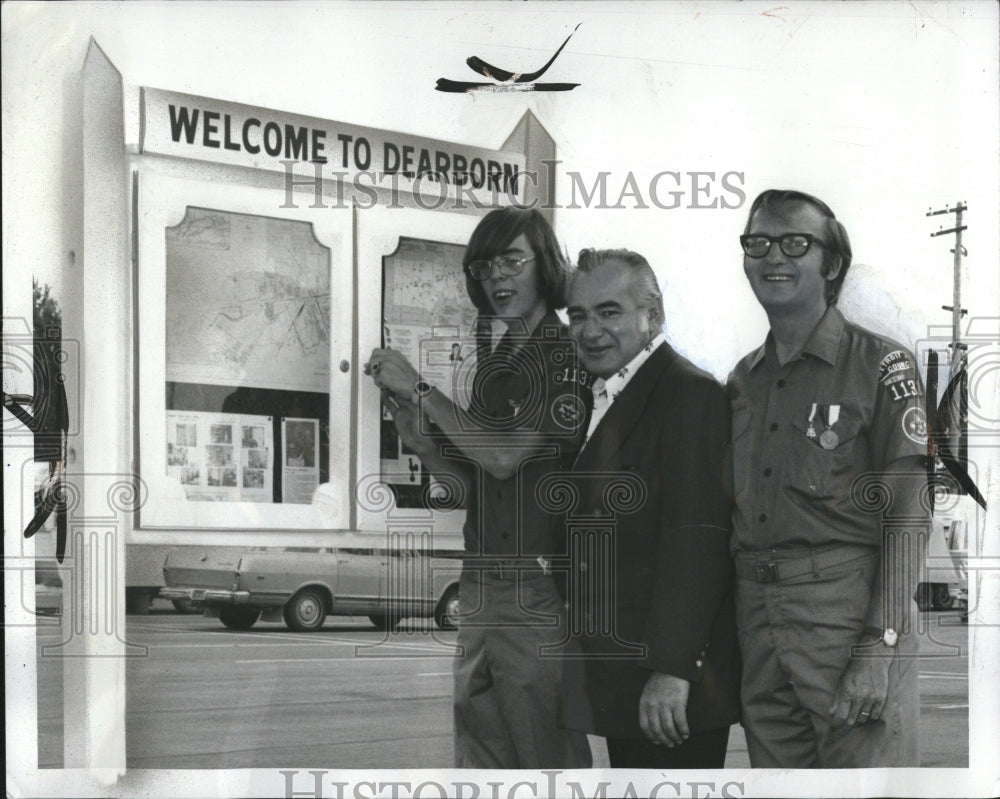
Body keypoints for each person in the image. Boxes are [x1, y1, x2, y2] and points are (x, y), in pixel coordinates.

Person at [366, 207, 592, 769]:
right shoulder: (496, 359)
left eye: (513, 259)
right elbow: (469, 485)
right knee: (481, 750)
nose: (497, 276)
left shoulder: (563, 354)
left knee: (545, 755)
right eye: (485, 264)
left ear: (547, 265)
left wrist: (420, 390)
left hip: (533, 584)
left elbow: (502, 455)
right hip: (480, 578)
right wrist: (421, 442)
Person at [728, 189, 927, 767]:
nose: (773, 257)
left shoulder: (880, 365)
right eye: (757, 242)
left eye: (795, 243)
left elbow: (910, 512)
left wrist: (879, 644)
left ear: (832, 264)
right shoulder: (742, 383)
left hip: (844, 615)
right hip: (757, 617)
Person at [559, 248, 741, 768]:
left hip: (667, 692)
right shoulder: (606, 393)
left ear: (653, 314)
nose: (590, 330)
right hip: (624, 680)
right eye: (578, 315)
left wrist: (673, 670)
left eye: (609, 312)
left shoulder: (689, 394)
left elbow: (698, 542)